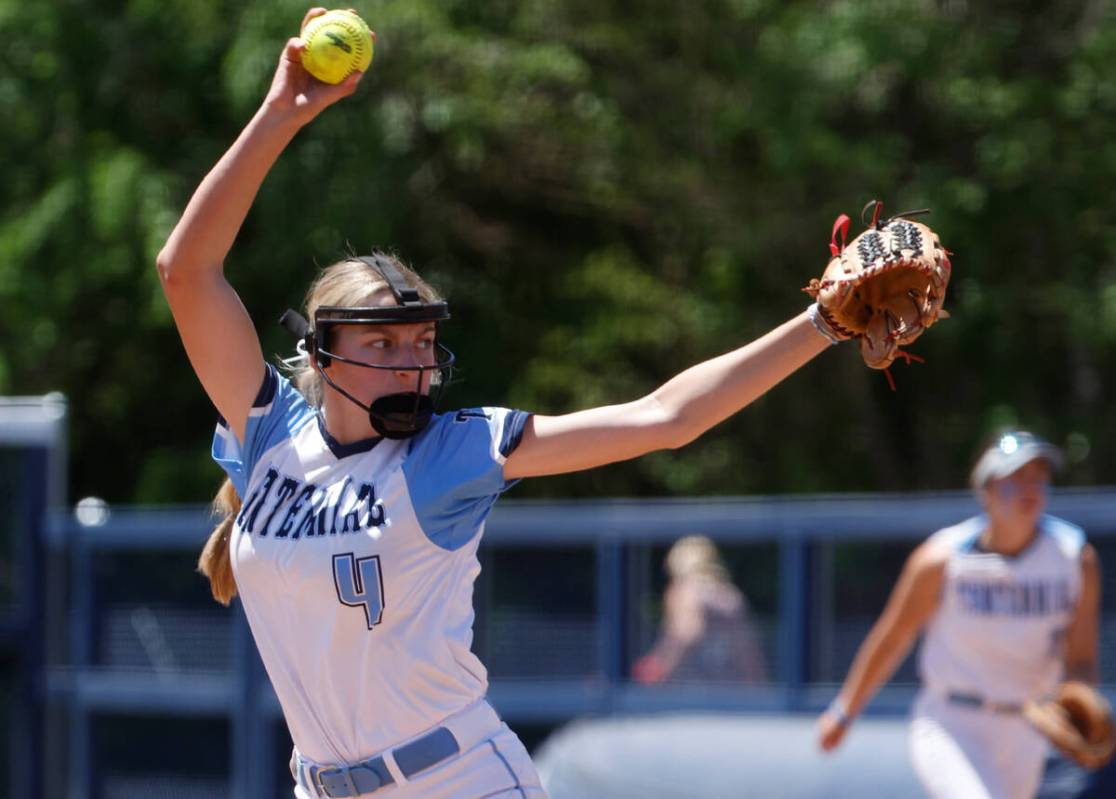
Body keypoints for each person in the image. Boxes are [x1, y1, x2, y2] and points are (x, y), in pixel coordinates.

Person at [158, 9, 839, 798]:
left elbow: (667, 417)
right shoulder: (268, 432)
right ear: (320, 352)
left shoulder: (451, 450)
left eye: (420, 343)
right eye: (384, 345)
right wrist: (281, 113)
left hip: (458, 778)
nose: (412, 363)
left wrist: (821, 323)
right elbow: (186, 272)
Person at [816, 431, 1102, 799]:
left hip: (1028, 728)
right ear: (985, 489)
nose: (1030, 486)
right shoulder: (943, 558)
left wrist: (1078, 703)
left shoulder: (1074, 558)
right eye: (1015, 477)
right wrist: (844, 711)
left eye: (1038, 476)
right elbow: (894, 636)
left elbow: (1081, 657)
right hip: (954, 722)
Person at [632, 535, 768, 684]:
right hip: (729, 690)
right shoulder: (730, 597)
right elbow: (747, 652)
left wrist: (659, 668)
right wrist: (760, 687)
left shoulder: (685, 590)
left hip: (691, 690)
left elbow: (687, 633)